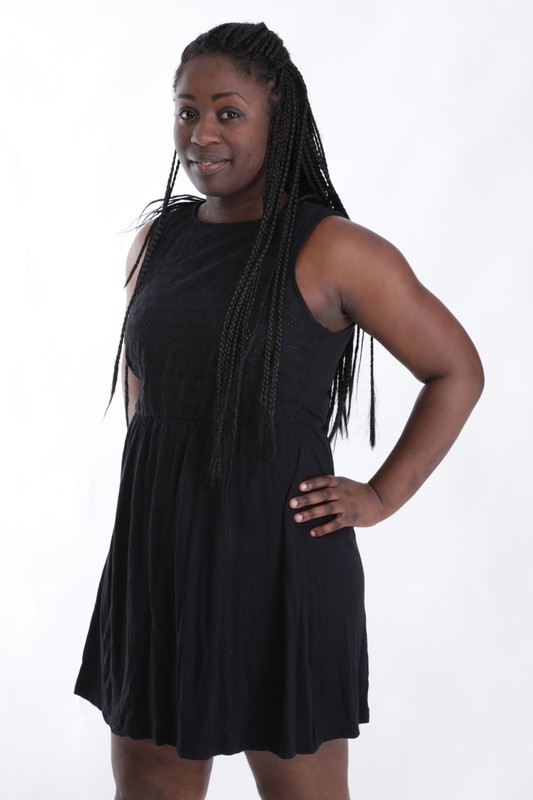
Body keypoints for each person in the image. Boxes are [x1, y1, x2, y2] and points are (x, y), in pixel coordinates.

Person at [74, 21, 484, 800]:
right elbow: (145, 383)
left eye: (228, 112)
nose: (201, 133)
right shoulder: (156, 242)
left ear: (278, 119)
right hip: (159, 559)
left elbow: (455, 369)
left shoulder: (333, 248)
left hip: (280, 562)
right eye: (187, 111)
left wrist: (381, 494)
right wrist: (171, 487)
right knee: (150, 782)